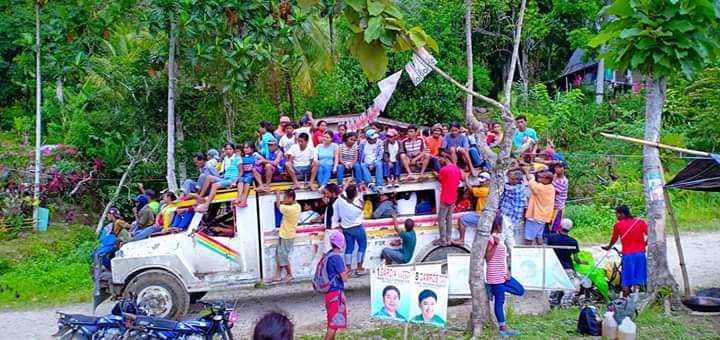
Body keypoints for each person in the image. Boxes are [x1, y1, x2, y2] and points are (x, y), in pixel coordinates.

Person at [485, 215, 524, 337]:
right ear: (498, 226)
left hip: (502, 275)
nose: (504, 227)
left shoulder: (499, 238)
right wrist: (495, 245)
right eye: (503, 225)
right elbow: (487, 258)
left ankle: (493, 289)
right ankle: (503, 326)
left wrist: (506, 270)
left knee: (520, 290)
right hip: (495, 276)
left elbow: (502, 258)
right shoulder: (490, 239)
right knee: (500, 301)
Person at [602, 205, 648, 297]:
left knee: (626, 281)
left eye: (617, 214)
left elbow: (614, 239)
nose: (616, 216)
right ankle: (637, 298)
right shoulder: (640, 222)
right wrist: (645, 244)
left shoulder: (618, 225)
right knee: (638, 279)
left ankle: (626, 301)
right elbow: (651, 234)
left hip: (628, 256)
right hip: (641, 255)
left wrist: (609, 247)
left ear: (622, 214)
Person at [547, 218, 587, 306]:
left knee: (556, 285)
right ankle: (565, 304)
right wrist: (583, 262)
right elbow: (576, 259)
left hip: (554, 266)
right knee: (570, 286)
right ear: (570, 229)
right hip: (567, 267)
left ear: (560, 226)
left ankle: (553, 304)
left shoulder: (551, 238)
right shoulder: (573, 241)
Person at [331, 184, 367, 275]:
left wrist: (347, 182)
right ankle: (359, 267)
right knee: (362, 246)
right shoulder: (357, 207)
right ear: (355, 194)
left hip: (346, 228)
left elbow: (342, 192)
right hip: (357, 228)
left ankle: (348, 268)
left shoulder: (340, 199)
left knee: (349, 248)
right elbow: (362, 207)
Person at [271, 189, 300, 283]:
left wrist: (278, 195)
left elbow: (278, 205)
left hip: (287, 235)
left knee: (283, 256)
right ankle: (278, 274)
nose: (283, 199)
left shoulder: (289, 208)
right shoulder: (297, 206)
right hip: (285, 233)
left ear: (291, 198)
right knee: (279, 254)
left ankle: (289, 274)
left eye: (285, 197)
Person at [324, 232, 349, 340]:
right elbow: (344, 278)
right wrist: (346, 272)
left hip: (329, 293)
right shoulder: (337, 258)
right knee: (333, 325)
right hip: (336, 293)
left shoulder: (328, 255)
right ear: (341, 244)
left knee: (332, 322)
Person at [455, 172, 491, 245]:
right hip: (482, 214)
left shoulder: (485, 190)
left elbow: (471, 189)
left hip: (481, 215)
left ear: (488, 181)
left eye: (482, 181)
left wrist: (466, 179)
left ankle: (461, 239)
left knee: (461, 219)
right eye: (480, 181)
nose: (481, 182)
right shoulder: (486, 188)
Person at [433, 153, 461, 246]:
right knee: (449, 218)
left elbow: (440, 178)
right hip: (454, 197)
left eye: (440, 158)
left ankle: (442, 239)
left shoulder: (444, 169)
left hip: (445, 197)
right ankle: (448, 238)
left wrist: (435, 174)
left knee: (441, 219)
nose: (439, 160)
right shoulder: (457, 168)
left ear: (445, 158)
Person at [524, 170, 556, 245]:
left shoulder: (541, 188)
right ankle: (541, 254)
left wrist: (527, 173)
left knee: (529, 238)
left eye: (541, 177)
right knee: (539, 237)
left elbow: (531, 183)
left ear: (548, 180)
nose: (539, 179)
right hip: (543, 217)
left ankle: (527, 254)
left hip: (535, 217)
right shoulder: (551, 188)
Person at [499, 168, 527, 251]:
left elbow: (504, 187)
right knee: (506, 235)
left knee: (506, 236)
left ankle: (511, 254)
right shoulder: (519, 185)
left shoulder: (515, 189)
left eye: (511, 178)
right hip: (511, 215)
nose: (508, 179)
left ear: (517, 180)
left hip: (509, 215)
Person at [234, 143, 262, 208]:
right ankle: (239, 197)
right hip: (245, 174)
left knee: (247, 179)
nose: (245, 149)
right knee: (240, 179)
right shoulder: (243, 158)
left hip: (252, 174)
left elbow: (259, 164)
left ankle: (244, 200)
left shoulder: (255, 156)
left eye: (247, 148)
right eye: (244, 148)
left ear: (252, 149)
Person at [549, 162, 568, 234]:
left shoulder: (563, 181)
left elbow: (554, 191)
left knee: (554, 227)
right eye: (556, 167)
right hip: (551, 206)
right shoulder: (554, 177)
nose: (557, 169)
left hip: (558, 207)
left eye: (559, 167)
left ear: (564, 169)